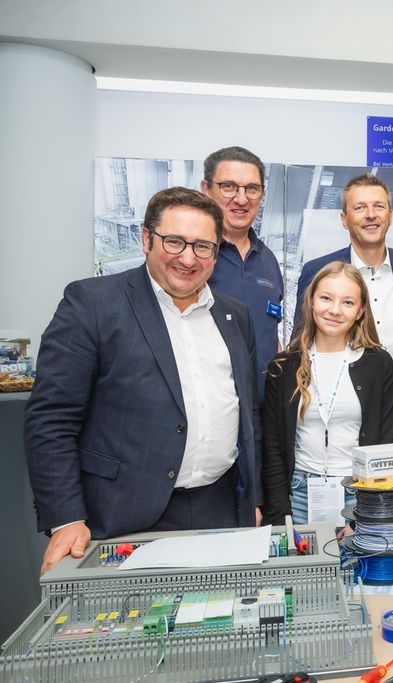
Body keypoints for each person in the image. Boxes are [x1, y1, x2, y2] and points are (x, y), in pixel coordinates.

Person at [25, 187, 261, 574]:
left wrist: (251, 497)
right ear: (146, 238)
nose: (188, 258)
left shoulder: (235, 316)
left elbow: (248, 412)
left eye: (203, 246)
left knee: (216, 624)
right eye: (174, 242)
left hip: (219, 511)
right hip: (123, 514)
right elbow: (51, 420)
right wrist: (65, 517)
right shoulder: (93, 304)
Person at [261, 262, 393, 525]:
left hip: (359, 495)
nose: (334, 310)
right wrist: (281, 513)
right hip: (298, 494)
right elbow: (273, 447)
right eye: (326, 298)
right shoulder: (283, 366)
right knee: (305, 568)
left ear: (360, 311)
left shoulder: (378, 364)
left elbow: (387, 443)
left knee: (356, 568)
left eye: (347, 302)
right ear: (311, 301)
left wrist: (366, 516)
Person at [294, 173, 393, 361]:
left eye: (379, 206)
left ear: (390, 216)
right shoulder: (317, 271)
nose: (371, 215)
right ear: (344, 219)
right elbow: (301, 340)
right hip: (340, 386)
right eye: (360, 208)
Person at [201, 146, 283, 400]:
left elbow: (271, 332)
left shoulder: (268, 259)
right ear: (206, 189)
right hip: (208, 404)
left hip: (263, 406)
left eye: (252, 188)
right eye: (228, 186)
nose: (241, 198)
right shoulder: (193, 257)